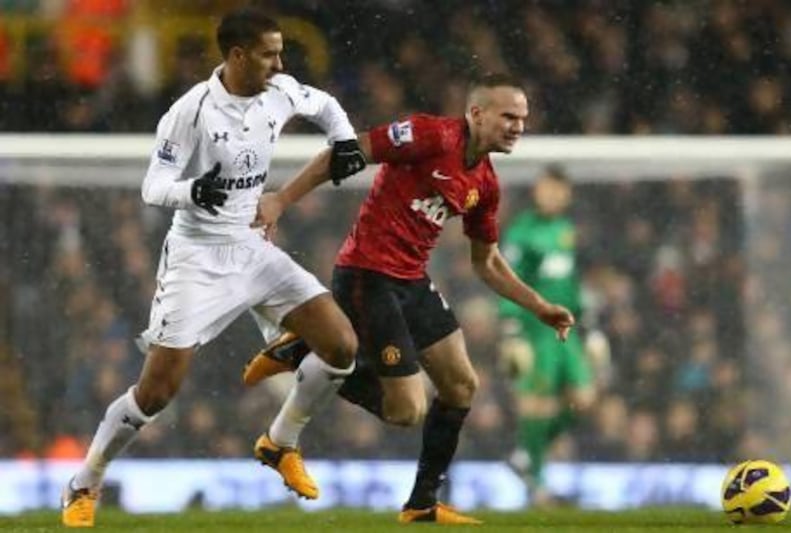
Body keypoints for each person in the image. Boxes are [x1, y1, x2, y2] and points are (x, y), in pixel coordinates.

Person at [61, 8, 367, 527]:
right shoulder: (191, 111)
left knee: (342, 347)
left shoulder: (281, 89)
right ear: (237, 55)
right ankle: (85, 481)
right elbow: (152, 186)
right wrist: (191, 191)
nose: (280, 62)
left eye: (280, 52)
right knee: (155, 393)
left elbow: (328, 105)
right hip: (197, 259)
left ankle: (279, 442)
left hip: (251, 246)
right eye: (270, 53)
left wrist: (346, 141)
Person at [243, 73, 575, 524]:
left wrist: (539, 307)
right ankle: (307, 352)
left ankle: (422, 503)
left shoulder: (487, 184)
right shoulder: (429, 135)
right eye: (508, 116)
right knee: (407, 410)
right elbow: (348, 151)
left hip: (411, 281)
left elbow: (487, 262)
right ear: (476, 113)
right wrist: (281, 200)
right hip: (367, 274)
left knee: (462, 385)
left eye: (523, 118)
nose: (518, 126)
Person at [498, 166, 603, 505]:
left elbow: (573, 283)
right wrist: (512, 330)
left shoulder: (567, 230)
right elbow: (508, 281)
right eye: (546, 189)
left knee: (584, 398)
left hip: (567, 330)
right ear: (537, 192)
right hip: (535, 330)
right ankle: (537, 483)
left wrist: (591, 326)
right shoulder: (521, 233)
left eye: (558, 190)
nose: (552, 196)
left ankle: (526, 454)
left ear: (566, 194)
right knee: (536, 404)